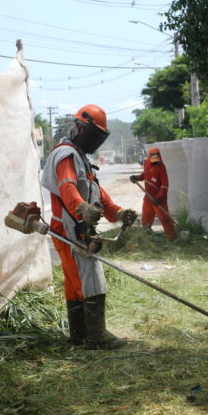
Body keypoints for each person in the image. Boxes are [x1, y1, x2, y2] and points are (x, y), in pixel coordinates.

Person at [41, 104, 138, 349]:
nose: (94, 141)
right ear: (78, 128)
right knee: (91, 280)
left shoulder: (79, 156)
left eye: (98, 137)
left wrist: (117, 212)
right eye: (92, 135)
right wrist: (81, 208)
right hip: (69, 228)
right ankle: (96, 337)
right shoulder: (66, 154)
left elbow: (97, 192)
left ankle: (79, 336)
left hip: (73, 227)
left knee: (76, 283)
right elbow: (67, 187)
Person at [130, 147, 176, 241]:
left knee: (165, 220)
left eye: (157, 158)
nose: (155, 161)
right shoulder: (146, 163)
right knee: (146, 219)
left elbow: (165, 185)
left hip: (159, 200)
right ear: (149, 157)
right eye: (153, 158)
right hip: (148, 197)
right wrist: (137, 177)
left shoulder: (161, 168)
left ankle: (172, 238)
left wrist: (158, 198)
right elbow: (145, 175)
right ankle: (147, 238)